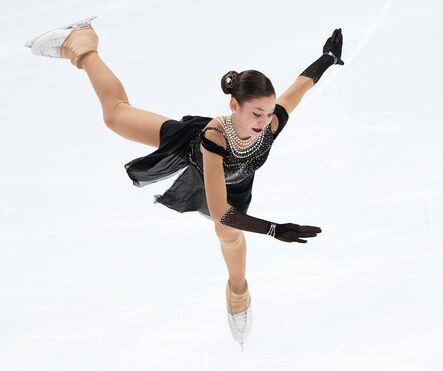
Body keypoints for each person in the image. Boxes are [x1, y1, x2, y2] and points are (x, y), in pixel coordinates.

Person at [25, 17, 344, 350]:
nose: (264, 122)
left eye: (267, 113)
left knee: (229, 237)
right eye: (256, 114)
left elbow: (299, 88)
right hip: (190, 150)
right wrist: (275, 230)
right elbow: (221, 211)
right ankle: (82, 45)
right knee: (116, 116)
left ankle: (238, 291)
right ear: (234, 105)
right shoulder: (215, 137)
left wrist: (327, 59)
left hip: (236, 183)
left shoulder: (271, 122)